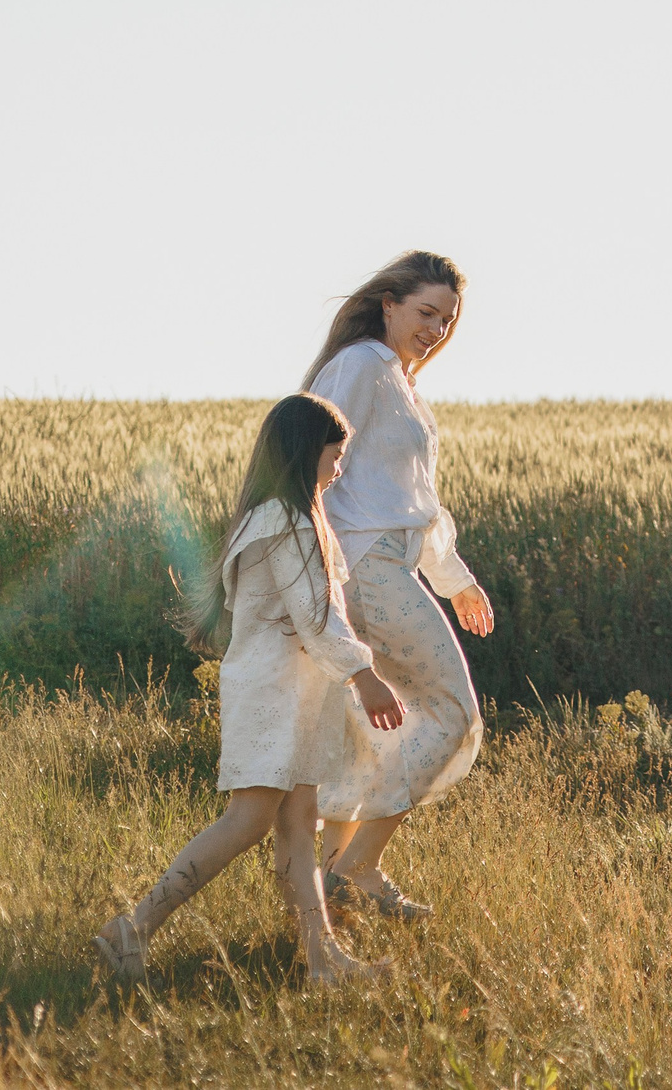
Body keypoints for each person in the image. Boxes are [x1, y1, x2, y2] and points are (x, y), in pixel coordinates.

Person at [94, 394, 406, 985]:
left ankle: (323, 960)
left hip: (297, 691)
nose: (338, 467)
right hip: (273, 692)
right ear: (301, 452)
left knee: (299, 819)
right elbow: (316, 617)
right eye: (333, 455)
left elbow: (314, 616)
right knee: (250, 819)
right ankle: (131, 931)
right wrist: (365, 674)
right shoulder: (283, 520)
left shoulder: (288, 515)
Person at [303, 250, 495, 921]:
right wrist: (320, 569)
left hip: (393, 563)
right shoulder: (360, 366)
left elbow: (415, 500)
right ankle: (360, 864)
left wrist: (455, 579)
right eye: (425, 312)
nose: (437, 328)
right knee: (453, 712)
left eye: (448, 319)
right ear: (389, 302)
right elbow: (309, 457)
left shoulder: (399, 379)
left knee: (377, 729)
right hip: (368, 567)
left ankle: (337, 877)